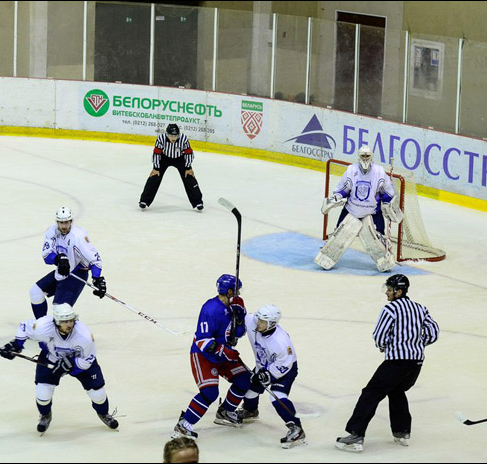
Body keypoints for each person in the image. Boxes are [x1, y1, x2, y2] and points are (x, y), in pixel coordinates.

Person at [335, 274, 439, 452]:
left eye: (390, 290)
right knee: (397, 391)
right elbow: (433, 332)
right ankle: (402, 431)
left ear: (399, 292)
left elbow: (379, 336)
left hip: (396, 362)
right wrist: (417, 344)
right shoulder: (420, 308)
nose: (387, 293)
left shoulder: (390, 309)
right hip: (416, 364)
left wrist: (385, 347)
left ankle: (356, 435)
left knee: (371, 393)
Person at [0, 303, 119, 434]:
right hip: (51, 358)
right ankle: (45, 415)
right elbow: (24, 327)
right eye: (64, 321)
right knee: (42, 394)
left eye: (71, 320)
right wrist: (16, 345)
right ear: (56, 321)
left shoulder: (84, 335)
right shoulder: (43, 326)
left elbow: (88, 359)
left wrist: (70, 366)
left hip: (79, 361)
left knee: (98, 394)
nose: (69, 324)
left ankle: (103, 413)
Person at [172, 274, 249, 439]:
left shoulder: (234, 306)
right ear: (229, 291)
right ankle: (184, 425)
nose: (239, 294)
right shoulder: (210, 309)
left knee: (244, 380)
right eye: (236, 290)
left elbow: (239, 334)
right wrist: (224, 351)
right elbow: (202, 340)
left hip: (223, 354)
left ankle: (225, 412)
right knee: (210, 392)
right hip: (203, 355)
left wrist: (240, 317)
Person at [315, 145, 402, 272]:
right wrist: (335, 198)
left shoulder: (379, 172)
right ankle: (328, 250)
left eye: (367, 156)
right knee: (337, 237)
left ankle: (385, 256)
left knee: (378, 241)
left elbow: (386, 193)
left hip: (372, 212)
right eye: (363, 156)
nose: (365, 158)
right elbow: (343, 189)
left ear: (372, 156)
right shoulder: (351, 170)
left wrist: (389, 205)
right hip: (351, 210)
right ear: (358, 156)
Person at [235, 304, 306, 448]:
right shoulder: (253, 321)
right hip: (263, 366)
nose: (258, 323)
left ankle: (296, 429)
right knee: (249, 391)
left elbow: (284, 364)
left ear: (272, 323)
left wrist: (266, 375)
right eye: (258, 319)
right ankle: (250, 411)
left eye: (262, 322)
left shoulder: (281, 342)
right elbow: (241, 316)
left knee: (277, 396)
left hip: (286, 369)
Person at [29, 206, 106, 319]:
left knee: (59, 309)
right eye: (61, 223)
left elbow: (95, 260)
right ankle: (42, 326)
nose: (64, 226)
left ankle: (67, 333)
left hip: (78, 273)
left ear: (71, 221)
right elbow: (46, 256)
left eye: (66, 222)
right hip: (62, 271)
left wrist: (97, 279)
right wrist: (58, 258)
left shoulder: (78, 237)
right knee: (35, 292)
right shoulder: (52, 231)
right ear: (57, 222)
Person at [139, 123, 204, 211]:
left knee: (189, 176)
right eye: (171, 136)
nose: (173, 138)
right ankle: (144, 201)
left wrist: (188, 167)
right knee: (154, 176)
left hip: (180, 158)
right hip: (164, 158)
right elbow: (157, 153)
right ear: (167, 134)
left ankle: (197, 202)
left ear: (178, 134)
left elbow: (189, 153)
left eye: (175, 136)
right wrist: (156, 168)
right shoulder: (161, 138)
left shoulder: (183, 139)